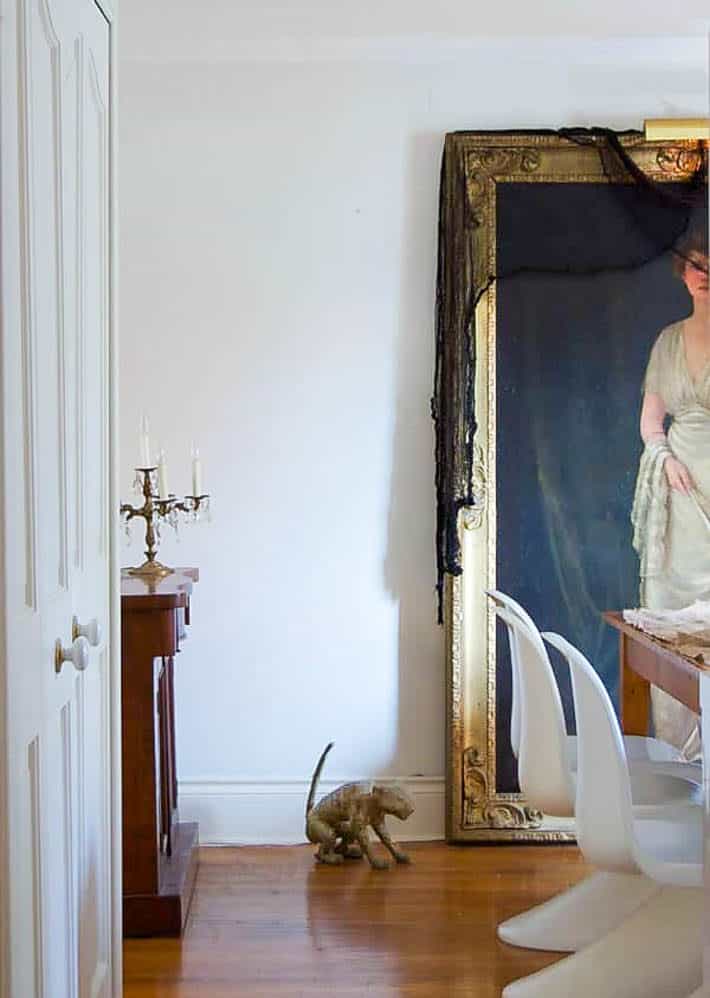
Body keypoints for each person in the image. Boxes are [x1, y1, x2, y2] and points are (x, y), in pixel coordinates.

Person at [631, 225, 710, 756]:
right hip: (681, 484)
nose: (707, 278)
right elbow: (650, 422)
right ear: (683, 274)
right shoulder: (667, 341)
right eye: (698, 267)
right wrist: (664, 458)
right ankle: (678, 760)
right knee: (675, 610)